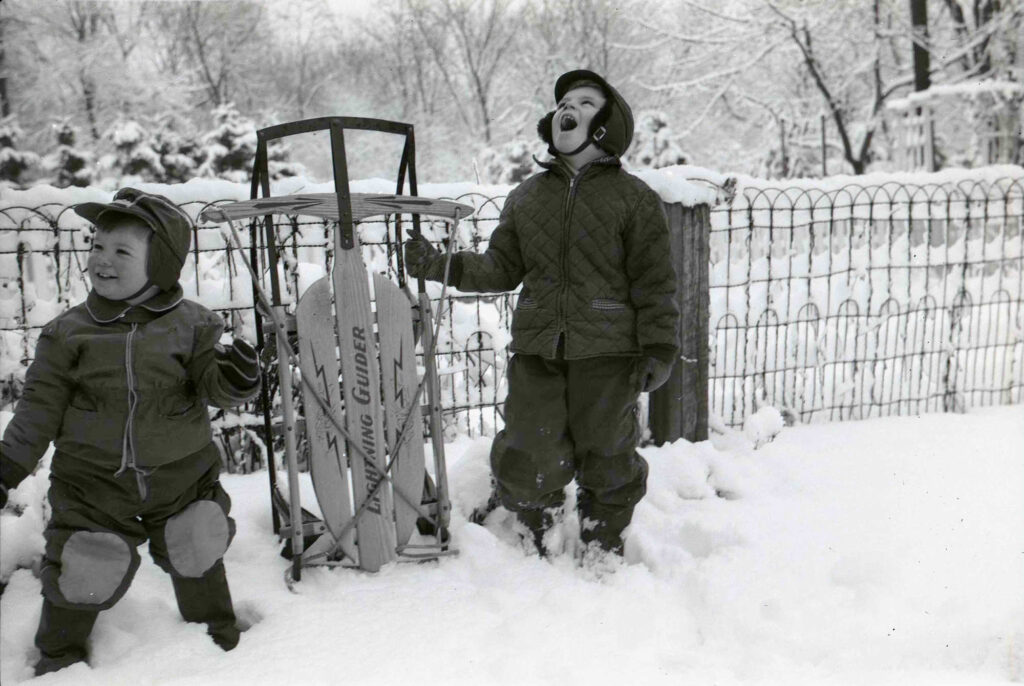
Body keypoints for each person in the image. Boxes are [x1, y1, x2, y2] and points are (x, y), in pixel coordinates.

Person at [405, 69, 680, 559]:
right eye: (564, 101)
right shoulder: (528, 197)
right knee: (529, 452)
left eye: (586, 101)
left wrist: (659, 346)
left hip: (610, 356)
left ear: (607, 125)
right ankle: (541, 534)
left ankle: (602, 542)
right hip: (537, 353)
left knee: (608, 452)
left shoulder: (634, 199)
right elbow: (499, 268)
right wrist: (442, 265)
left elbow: (655, 282)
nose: (568, 107)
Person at [0, 188, 261, 676]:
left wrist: (236, 378)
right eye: (98, 246)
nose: (103, 260)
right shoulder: (67, 334)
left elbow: (214, 385)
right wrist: (8, 465)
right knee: (85, 567)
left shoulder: (193, 326)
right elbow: (39, 407)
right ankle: (59, 662)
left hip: (181, 478)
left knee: (196, 543)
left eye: (122, 251)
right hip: (93, 485)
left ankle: (220, 649)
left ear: (160, 264)